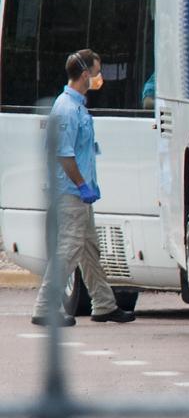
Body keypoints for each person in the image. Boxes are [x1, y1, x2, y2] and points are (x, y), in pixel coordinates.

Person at [31, 50, 135, 327]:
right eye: (98, 71)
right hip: (70, 192)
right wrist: (81, 185)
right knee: (69, 248)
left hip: (80, 190)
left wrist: (89, 185)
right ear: (86, 74)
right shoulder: (66, 108)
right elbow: (64, 155)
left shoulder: (77, 106)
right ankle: (45, 307)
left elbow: (81, 150)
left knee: (89, 248)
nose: (101, 77)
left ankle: (103, 304)